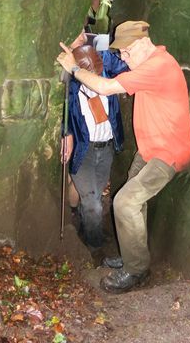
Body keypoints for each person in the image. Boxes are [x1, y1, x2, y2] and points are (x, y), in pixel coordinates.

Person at [57, 20, 190, 293]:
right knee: (133, 202)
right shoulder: (147, 62)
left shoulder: (157, 66)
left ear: (143, 44)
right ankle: (133, 255)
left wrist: (73, 67)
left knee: (126, 201)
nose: (125, 59)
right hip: (149, 150)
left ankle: (136, 271)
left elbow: (106, 88)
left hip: (167, 154)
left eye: (128, 52)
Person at [61, 44, 127, 250]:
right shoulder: (72, 92)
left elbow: (124, 65)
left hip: (106, 149)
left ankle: (86, 227)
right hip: (84, 150)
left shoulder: (108, 83)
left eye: (95, 66)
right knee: (93, 204)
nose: (92, 71)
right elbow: (61, 115)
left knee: (95, 198)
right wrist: (66, 133)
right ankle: (94, 246)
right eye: (86, 68)